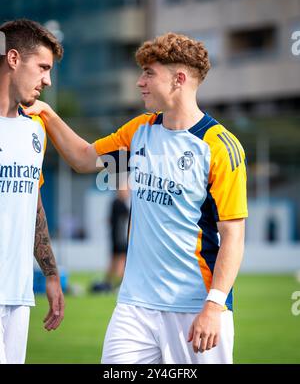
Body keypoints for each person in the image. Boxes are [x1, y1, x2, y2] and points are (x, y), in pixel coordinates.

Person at [25, 32, 248, 364]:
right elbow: (85, 158)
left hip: (194, 308)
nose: (140, 82)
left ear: (179, 79)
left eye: (149, 73)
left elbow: (233, 235)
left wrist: (214, 306)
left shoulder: (218, 147)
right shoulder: (140, 132)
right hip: (135, 307)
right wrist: (47, 114)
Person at [0, 19, 65, 364]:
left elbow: (32, 202)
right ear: (13, 58)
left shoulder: (35, 128)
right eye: (42, 67)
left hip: (19, 293)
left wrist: (51, 274)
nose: (48, 80)